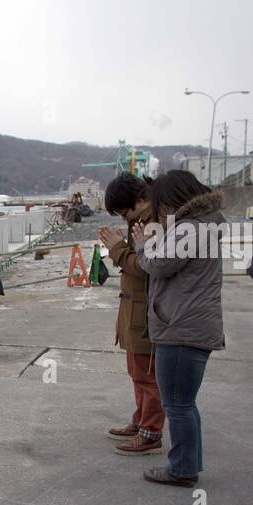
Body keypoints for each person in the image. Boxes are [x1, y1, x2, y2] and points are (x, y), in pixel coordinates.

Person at [130, 170, 226, 487]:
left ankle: (182, 469)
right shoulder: (204, 223)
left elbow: (159, 264)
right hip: (191, 325)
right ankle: (188, 463)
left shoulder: (191, 228)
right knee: (184, 402)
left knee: (178, 405)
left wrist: (143, 245)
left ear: (174, 199)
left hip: (182, 327)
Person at [98, 174, 163, 457]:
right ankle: (140, 421)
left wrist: (116, 248)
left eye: (125, 211)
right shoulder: (142, 219)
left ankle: (150, 432)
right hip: (134, 306)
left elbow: (146, 265)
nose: (124, 217)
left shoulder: (155, 223)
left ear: (139, 200)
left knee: (148, 375)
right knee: (137, 372)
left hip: (145, 309)